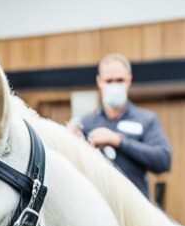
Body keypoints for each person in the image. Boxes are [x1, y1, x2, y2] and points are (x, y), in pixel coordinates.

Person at [69, 53, 172, 198]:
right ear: (99, 82)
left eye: (119, 80)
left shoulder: (146, 119)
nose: (114, 86)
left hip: (135, 208)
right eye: (109, 81)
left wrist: (119, 142)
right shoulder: (86, 123)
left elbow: (163, 160)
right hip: (98, 207)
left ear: (129, 80)